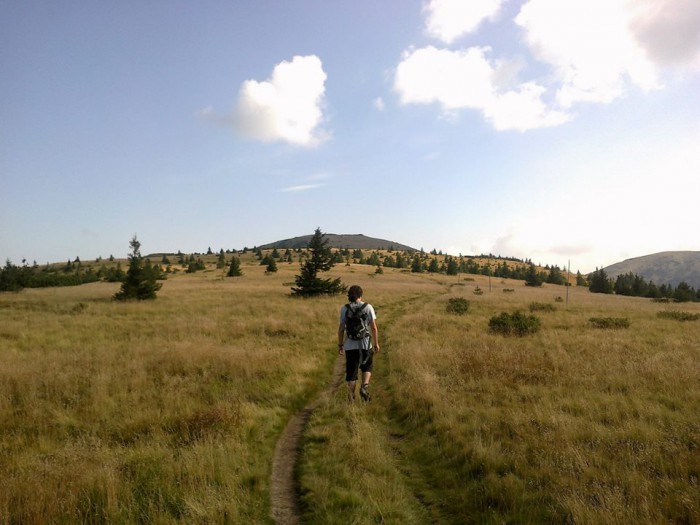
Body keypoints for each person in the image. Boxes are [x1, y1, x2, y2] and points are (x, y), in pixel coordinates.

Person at [338, 285, 380, 402]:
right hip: (365, 344)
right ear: (360, 295)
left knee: (351, 372)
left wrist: (340, 345)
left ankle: (351, 397)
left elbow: (341, 329)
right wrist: (376, 343)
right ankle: (364, 386)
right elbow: (374, 328)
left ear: (349, 296)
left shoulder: (344, 309)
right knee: (367, 366)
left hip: (350, 346)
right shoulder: (368, 307)